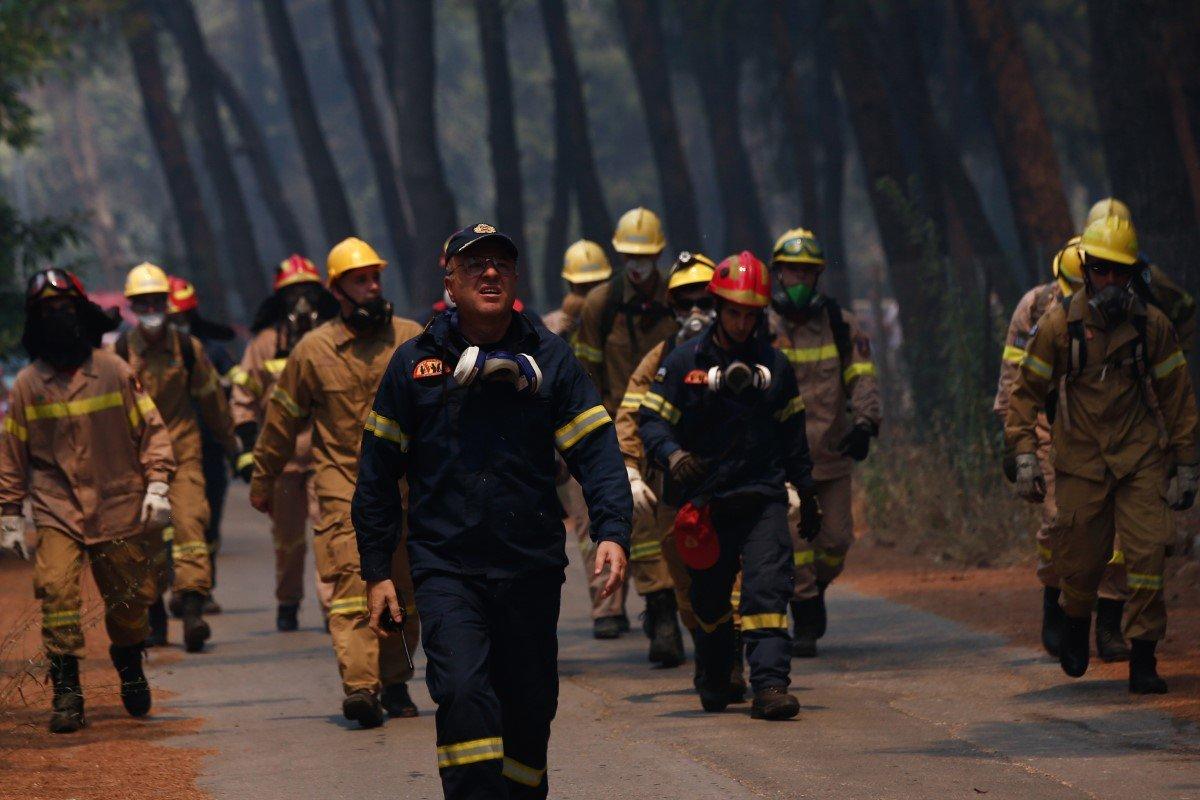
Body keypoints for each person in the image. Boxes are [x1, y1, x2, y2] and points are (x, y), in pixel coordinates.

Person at [353, 222, 631, 799]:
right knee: (461, 692)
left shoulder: (550, 359)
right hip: (446, 567)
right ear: (448, 278)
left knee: (530, 706)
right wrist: (378, 569)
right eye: (475, 264)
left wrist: (612, 530)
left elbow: (597, 449)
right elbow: (378, 475)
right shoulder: (414, 365)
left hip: (529, 566)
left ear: (515, 278)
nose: (489, 274)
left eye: (501, 264)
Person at [1005, 214, 1198, 694]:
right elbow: (1025, 392)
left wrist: (1187, 464)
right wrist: (1024, 453)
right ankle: (1075, 623)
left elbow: (1177, 397)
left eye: (1119, 271)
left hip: (1138, 458)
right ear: (1087, 268)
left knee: (1149, 553)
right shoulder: (1057, 325)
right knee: (1082, 560)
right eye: (1101, 270)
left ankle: (1144, 657)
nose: (1109, 281)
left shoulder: (1151, 326)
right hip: (1081, 460)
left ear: (1134, 274)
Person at [639, 251, 821, 719]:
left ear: (760, 315)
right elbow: (652, 421)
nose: (741, 324)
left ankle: (770, 687)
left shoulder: (776, 368)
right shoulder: (684, 363)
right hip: (707, 505)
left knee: (766, 593)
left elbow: (793, 438)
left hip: (762, 499)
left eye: (750, 314)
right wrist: (674, 457)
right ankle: (716, 675)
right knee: (710, 602)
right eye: (733, 312)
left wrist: (808, 492)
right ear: (719, 308)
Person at [250, 237, 423, 728]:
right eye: (359, 279)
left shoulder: (411, 339)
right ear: (338, 291)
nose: (372, 287)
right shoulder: (314, 350)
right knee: (352, 584)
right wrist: (263, 480)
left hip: (407, 489)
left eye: (375, 277)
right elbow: (281, 421)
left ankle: (395, 681)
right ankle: (362, 688)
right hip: (341, 484)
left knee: (405, 591)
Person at [0, 268, 176, 732]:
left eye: (64, 309)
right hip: (57, 509)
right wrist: (10, 513)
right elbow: (12, 455)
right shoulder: (27, 386)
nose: (57, 318)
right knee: (57, 592)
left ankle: (130, 663)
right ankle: (67, 693)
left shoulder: (114, 371)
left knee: (129, 604)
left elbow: (152, 431)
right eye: (46, 312)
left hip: (119, 507)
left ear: (80, 313)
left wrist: (158, 482)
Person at [994, 237, 1130, 661]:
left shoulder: (1123, 307)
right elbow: (1015, 381)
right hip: (1048, 428)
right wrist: (1017, 445)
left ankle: (1109, 623)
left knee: (1121, 533)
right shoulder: (1036, 309)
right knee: (1061, 522)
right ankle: (1055, 599)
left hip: (1105, 429)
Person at [768, 228, 881, 658]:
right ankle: (806, 613)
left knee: (835, 541)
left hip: (832, 457)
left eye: (806, 273)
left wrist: (866, 422)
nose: (798, 281)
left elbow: (862, 378)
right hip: (784, 464)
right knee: (797, 543)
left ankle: (815, 589)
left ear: (817, 277)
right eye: (790, 272)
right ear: (777, 274)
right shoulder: (762, 326)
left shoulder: (840, 324)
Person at [115, 262, 240, 653]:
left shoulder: (188, 349)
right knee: (146, 539)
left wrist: (233, 446)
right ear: (132, 308)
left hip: (184, 453)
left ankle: (191, 612)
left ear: (168, 305)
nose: (151, 308)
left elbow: (212, 401)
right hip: (137, 462)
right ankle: (155, 620)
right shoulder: (119, 354)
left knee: (190, 528)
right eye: (143, 302)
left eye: (157, 301)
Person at [573, 207, 679, 640]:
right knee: (638, 518)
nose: (638, 266)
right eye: (630, 256)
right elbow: (586, 376)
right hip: (623, 428)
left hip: (676, 425)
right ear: (620, 255)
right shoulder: (601, 304)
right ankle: (661, 610)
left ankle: (676, 602)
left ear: (658, 254)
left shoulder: (679, 296)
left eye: (646, 256)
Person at [613, 251, 717, 671]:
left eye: (705, 301)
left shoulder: (753, 351)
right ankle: (703, 646)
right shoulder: (660, 359)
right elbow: (632, 414)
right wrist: (630, 469)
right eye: (684, 303)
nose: (695, 313)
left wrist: (786, 479)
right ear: (672, 308)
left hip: (733, 485)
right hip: (675, 483)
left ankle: (746, 661)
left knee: (741, 581)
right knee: (685, 580)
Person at [231, 254, 338, 632]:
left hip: (327, 456)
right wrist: (247, 447)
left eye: (309, 291)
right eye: (293, 293)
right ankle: (288, 602)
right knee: (289, 542)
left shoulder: (335, 337)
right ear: (280, 298)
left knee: (331, 536)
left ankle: (333, 610)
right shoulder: (263, 345)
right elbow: (242, 397)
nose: (302, 301)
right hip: (284, 460)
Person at [166, 275, 238, 616]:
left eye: (182, 318)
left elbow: (233, 389)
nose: (177, 325)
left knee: (206, 521)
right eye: (172, 318)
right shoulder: (143, 352)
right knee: (166, 526)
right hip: (162, 451)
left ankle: (202, 589)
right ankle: (176, 587)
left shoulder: (210, 351)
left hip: (208, 446)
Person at [543, 239, 612, 337]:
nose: (591, 295)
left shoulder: (621, 317)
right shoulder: (552, 326)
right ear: (570, 285)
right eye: (583, 287)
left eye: (596, 286)